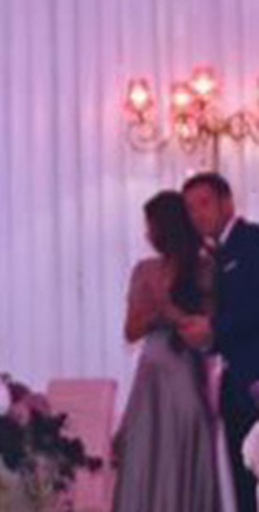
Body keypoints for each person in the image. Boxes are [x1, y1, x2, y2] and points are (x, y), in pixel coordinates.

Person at [111, 190, 219, 512]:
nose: (147, 234)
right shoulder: (145, 270)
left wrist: (172, 311)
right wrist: (155, 313)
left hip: (186, 369)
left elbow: (209, 331)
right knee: (146, 448)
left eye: (151, 226)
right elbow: (131, 331)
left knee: (185, 440)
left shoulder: (205, 268)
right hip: (152, 372)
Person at [185, 171, 259, 512]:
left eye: (204, 204)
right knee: (241, 481)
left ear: (227, 202)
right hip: (234, 384)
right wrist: (205, 337)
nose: (197, 215)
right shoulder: (216, 254)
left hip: (254, 378)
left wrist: (212, 327)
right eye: (190, 209)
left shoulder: (251, 242)